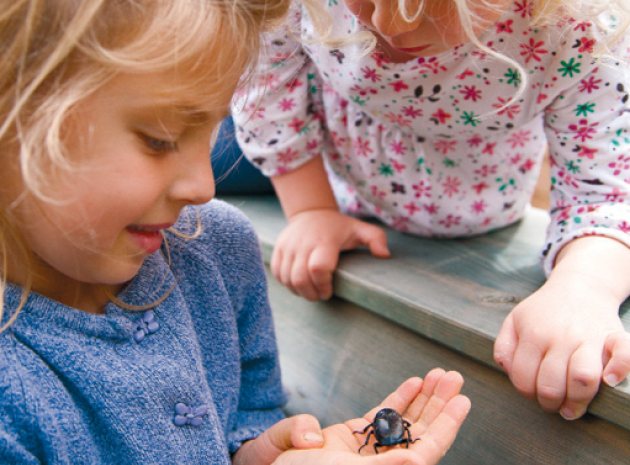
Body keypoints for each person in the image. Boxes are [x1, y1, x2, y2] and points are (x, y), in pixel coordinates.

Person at [0, 1, 471, 463]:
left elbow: (243, 421)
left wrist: (258, 456)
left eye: (211, 134)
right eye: (160, 138)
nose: (204, 187)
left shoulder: (218, 251)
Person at [231, 0, 630, 421]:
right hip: (337, 175)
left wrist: (583, 286)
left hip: (479, 204)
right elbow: (267, 89)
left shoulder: (579, 28)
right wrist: (310, 208)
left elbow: (605, 190)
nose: (389, 25)